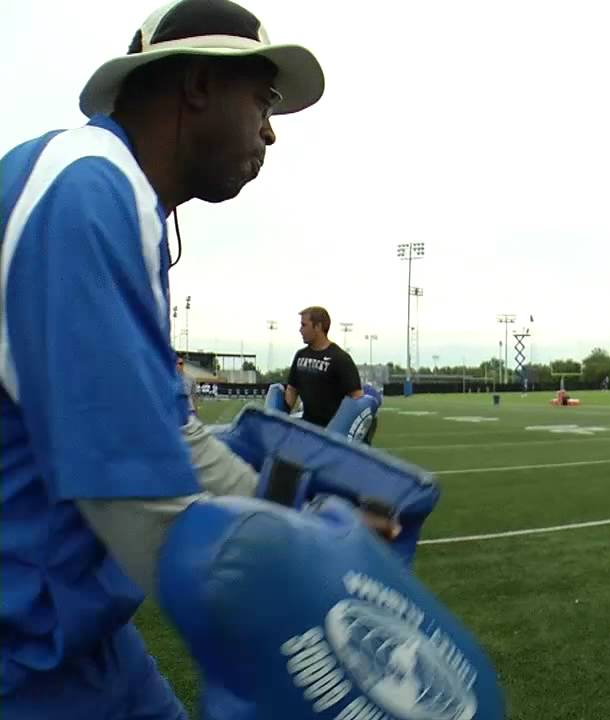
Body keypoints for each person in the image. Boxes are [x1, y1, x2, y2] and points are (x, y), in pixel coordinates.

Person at [0, 0, 331, 715]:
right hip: (21, 654)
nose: (271, 130)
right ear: (199, 86)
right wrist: (309, 607)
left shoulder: (113, 193)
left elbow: (177, 437)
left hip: (72, 633)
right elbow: (138, 503)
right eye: (265, 98)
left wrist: (299, 515)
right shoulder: (86, 190)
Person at [283, 306, 365, 429]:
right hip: (308, 431)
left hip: (331, 435)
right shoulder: (300, 355)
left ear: (318, 327)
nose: (300, 330)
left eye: (304, 325)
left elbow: (357, 396)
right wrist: (281, 417)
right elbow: (292, 389)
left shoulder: (340, 358)